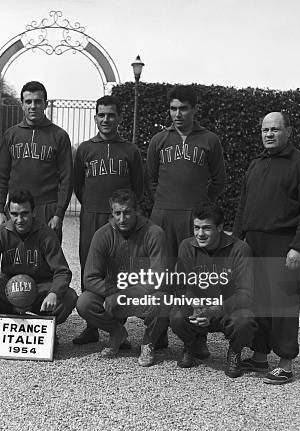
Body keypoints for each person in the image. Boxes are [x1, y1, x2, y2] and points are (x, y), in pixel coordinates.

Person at [233, 111, 300, 384]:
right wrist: (237, 241)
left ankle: (285, 363)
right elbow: (243, 207)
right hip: (254, 244)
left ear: (288, 131)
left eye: (275, 129)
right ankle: (260, 357)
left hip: (284, 245)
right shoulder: (255, 164)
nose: (269, 134)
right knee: (259, 301)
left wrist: (298, 247)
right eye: (265, 130)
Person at [146, 84, 226, 351]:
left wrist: (201, 205)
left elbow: (219, 180)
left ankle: (196, 338)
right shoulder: (159, 140)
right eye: (173, 109)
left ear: (194, 109)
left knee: (195, 277)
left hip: (195, 215)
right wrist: (165, 202)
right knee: (161, 275)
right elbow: (151, 180)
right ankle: (158, 334)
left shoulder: (209, 140)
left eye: (183, 108)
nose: (177, 114)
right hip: (163, 215)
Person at [72, 95, 145, 346]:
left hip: (119, 217)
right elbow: (78, 185)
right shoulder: (85, 149)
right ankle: (92, 325)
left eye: (111, 115)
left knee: (120, 268)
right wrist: (93, 207)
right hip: (92, 214)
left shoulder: (130, 149)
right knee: (89, 267)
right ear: (95, 117)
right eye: (101, 115)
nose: (106, 119)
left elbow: (138, 186)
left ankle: (117, 324)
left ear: (119, 118)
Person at [0, 189, 78, 340]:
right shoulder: (0, 233)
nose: (19, 219)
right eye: (14, 214)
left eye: (24, 213)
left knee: (69, 296)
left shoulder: (46, 234)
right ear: (8, 213)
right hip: (9, 288)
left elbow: (62, 271)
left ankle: (44, 330)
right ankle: (5, 327)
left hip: (39, 288)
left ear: (33, 212)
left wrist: (54, 293)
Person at [76, 189, 168, 366]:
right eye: (117, 213)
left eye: (127, 212)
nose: (122, 218)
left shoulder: (155, 233)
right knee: (84, 302)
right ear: (112, 213)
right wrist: (114, 292)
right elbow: (89, 278)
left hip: (142, 294)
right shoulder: (102, 235)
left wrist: (125, 295)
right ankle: (117, 333)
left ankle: (148, 342)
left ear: (137, 211)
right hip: (114, 292)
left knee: (163, 300)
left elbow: (158, 278)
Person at [169, 204, 257, 378]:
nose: (200, 234)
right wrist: (193, 304)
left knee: (245, 322)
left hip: (228, 308)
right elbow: (181, 286)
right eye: (196, 228)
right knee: (176, 316)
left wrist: (214, 310)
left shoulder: (240, 249)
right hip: (199, 305)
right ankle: (192, 343)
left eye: (206, 228)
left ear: (220, 227)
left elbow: (246, 294)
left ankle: (235, 351)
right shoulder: (187, 246)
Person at [0, 81, 73, 242]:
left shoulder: (59, 136)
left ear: (46, 104)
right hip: (17, 208)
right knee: (15, 258)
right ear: (22, 104)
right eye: (28, 102)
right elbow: (1, 176)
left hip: (47, 208)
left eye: (38, 101)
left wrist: (59, 213)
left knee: (48, 259)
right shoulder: (11, 135)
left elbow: (67, 178)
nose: (33, 106)